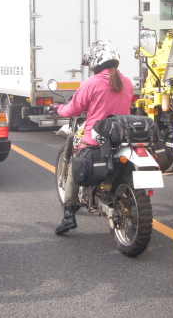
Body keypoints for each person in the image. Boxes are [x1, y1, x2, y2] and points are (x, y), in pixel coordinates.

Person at [51, 40, 133, 235]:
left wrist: (57, 108)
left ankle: (69, 214)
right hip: (121, 138)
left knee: (73, 165)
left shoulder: (92, 83)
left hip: (97, 139)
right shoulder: (127, 82)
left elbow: (74, 109)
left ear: (97, 61)